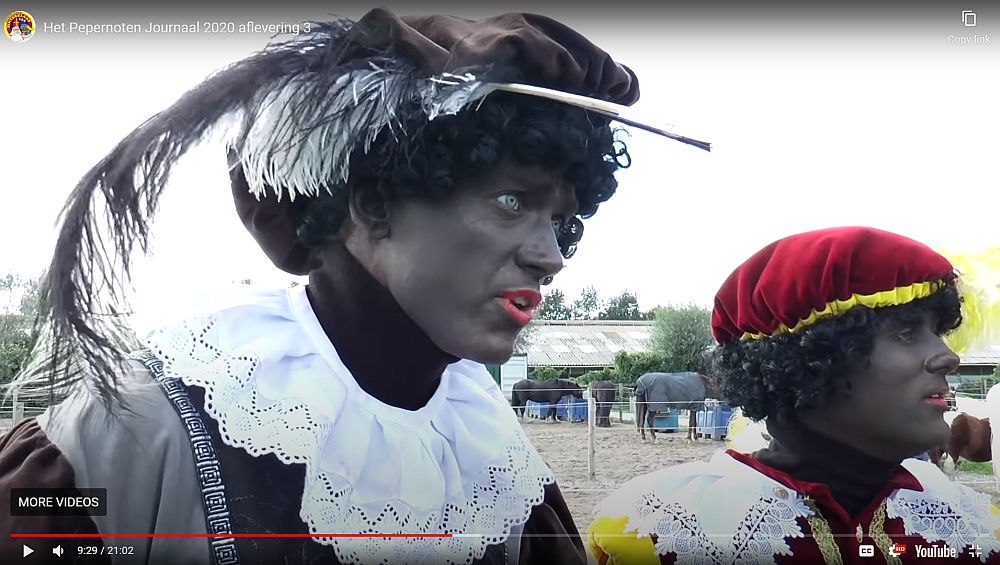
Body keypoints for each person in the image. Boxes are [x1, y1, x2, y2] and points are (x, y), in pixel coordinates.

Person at [0, 8, 707, 565]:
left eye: (565, 220)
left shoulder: (499, 464)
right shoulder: (140, 431)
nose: (551, 257)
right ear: (373, 203)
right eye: (514, 203)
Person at [588, 226, 1000, 564]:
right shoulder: (660, 532)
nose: (948, 357)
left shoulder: (971, 528)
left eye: (939, 332)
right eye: (908, 332)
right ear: (809, 359)